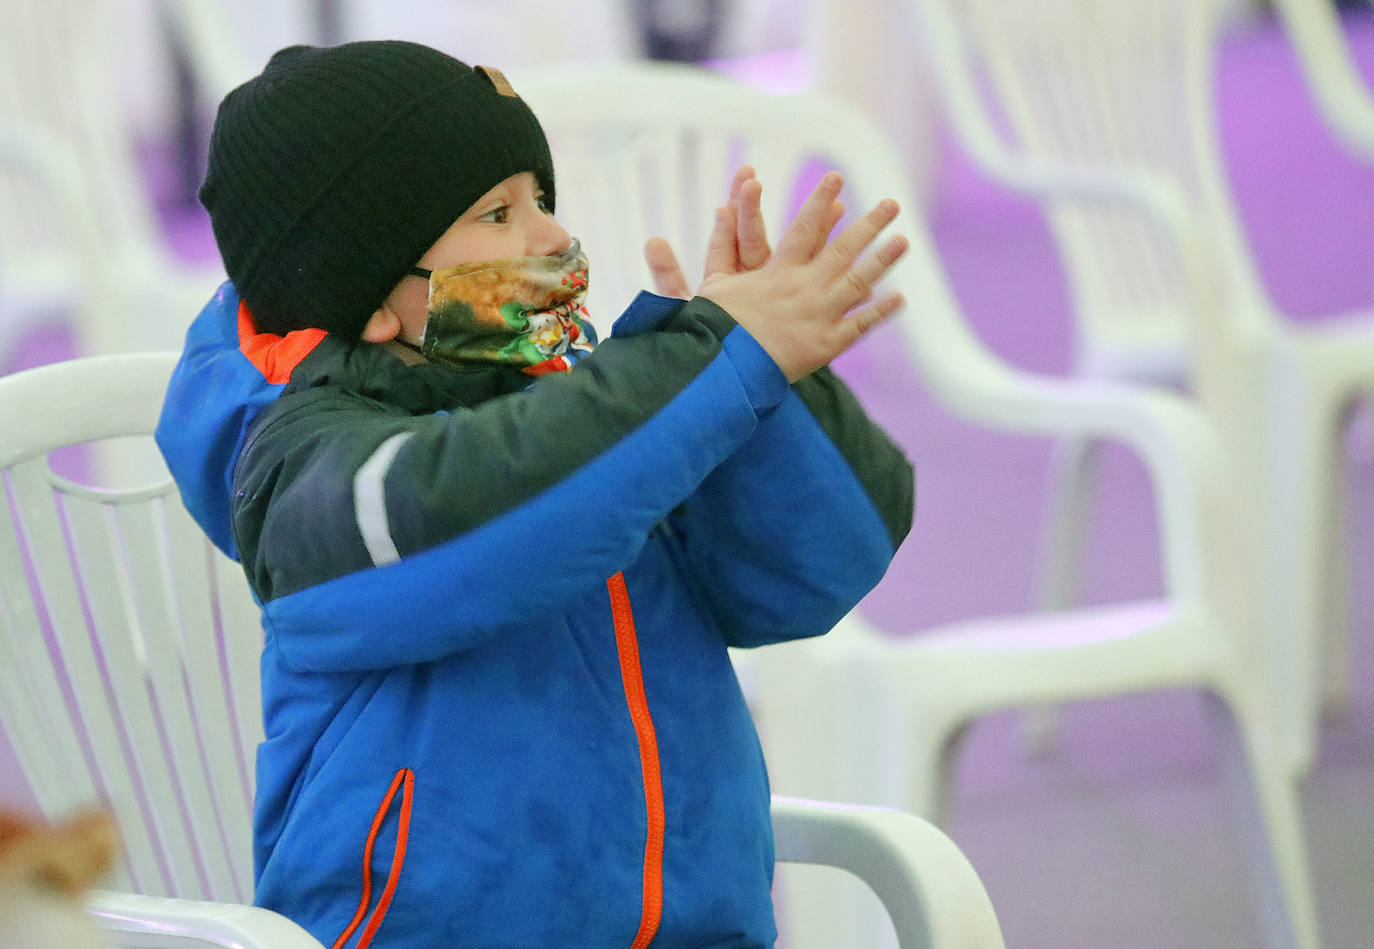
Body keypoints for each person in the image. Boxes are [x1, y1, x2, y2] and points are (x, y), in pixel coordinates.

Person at [156, 40, 914, 949]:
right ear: (368, 299)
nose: (554, 238)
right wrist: (708, 363)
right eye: (499, 212)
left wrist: (767, 385)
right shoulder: (296, 468)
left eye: (543, 200)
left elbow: (818, 572)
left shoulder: (591, 410)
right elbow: (484, 505)